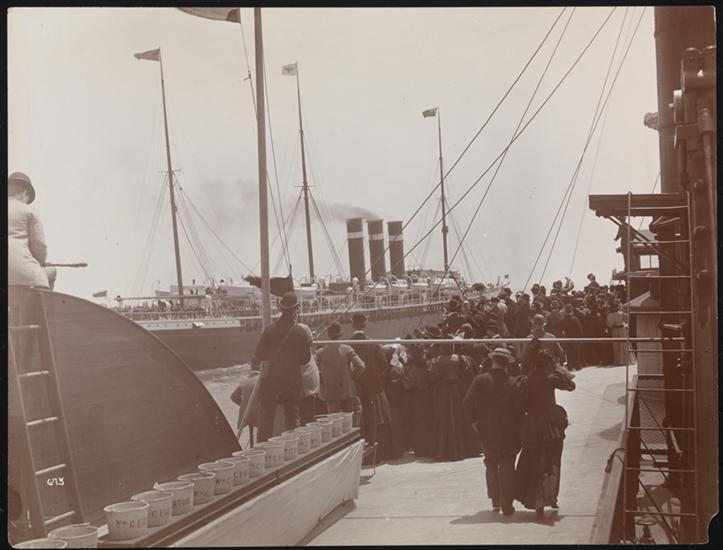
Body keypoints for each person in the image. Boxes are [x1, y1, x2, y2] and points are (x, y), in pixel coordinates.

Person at [515, 342, 576, 516]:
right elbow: (571, 385)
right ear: (548, 363)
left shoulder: (527, 379)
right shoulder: (551, 378)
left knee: (533, 462)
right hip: (550, 424)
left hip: (533, 424)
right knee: (552, 461)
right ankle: (551, 496)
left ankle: (537, 501)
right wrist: (557, 369)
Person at [463, 347, 526, 515]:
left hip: (487, 429)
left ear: (493, 361)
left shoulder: (480, 380)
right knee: (507, 463)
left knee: (491, 462)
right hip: (509, 430)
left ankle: (495, 501)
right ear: (507, 364)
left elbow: (467, 403)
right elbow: (520, 409)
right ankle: (507, 505)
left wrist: (474, 421)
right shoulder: (513, 382)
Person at [254, 291, 311, 442]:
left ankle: (262, 448)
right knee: (292, 416)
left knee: (266, 417)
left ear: (281, 308)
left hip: (270, 381)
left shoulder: (269, 330)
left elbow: (259, 354)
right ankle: (293, 447)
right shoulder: (300, 332)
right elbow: (305, 360)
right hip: (291, 381)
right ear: (296, 309)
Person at [427, 342, 481, 461]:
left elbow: (432, 377)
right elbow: (467, 373)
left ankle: (442, 451)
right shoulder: (461, 359)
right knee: (460, 416)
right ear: (452, 346)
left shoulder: (436, 360)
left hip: (442, 390)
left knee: (442, 417)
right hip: (458, 388)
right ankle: (467, 449)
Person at [8, 172, 56, 289]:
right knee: (52, 271)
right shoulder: (29, 210)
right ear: (25, 193)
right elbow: (40, 246)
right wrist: (40, 263)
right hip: (23, 275)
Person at [350, 312, 387, 450]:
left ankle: (357, 441)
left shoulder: (347, 344)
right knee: (370, 413)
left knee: (355, 414)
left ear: (353, 324)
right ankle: (371, 441)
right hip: (370, 385)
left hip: (354, 384)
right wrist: (372, 373)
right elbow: (383, 365)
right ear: (365, 324)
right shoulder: (373, 343)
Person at [316, 321, 365, 422]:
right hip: (347, 388)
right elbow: (361, 365)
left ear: (328, 335)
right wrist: (352, 377)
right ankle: (353, 429)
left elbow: (315, 369)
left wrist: (323, 379)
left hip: (330, 390)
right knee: (356, 410)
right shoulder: (347, 349)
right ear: (341, 333)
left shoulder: (321, 352)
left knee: (334, 419)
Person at [560, 304, 583, 371]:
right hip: (576, 338)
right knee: (577, 353)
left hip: (567, 338)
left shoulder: (563, 319)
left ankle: (570, 366)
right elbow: (580, 330)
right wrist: (581, 337)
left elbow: (557, 326)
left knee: (569, 353)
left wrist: (562, 332)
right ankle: (578, 366)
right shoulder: (575, 319)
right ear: (571, 310)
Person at [606, 301, 628, 365]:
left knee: (616, 345)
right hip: (622, 329)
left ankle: (618, 361)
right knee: (623, 344)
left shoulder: (610, 315)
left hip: (615, 330)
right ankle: (625, 360)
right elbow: (626, 322)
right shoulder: (623, 313)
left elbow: (609, 325)